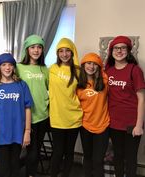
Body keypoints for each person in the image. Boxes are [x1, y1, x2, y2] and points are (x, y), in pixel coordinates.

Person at [0, 53, 33, 177]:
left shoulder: (21, 85)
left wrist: (27, 131)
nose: (7, 68)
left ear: (13, 67)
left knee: (15, 167)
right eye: (4, 65)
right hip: (1, 135)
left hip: (17, 133)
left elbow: (27, 108)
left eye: (10, 65)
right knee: (3, 169)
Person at [105, 36, 145, 177]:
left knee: (130, 159)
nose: (119, 51)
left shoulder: (134, 70)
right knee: (118, 157)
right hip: (113, 123)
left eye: (123, 48)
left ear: (128, 51)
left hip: (131, 124)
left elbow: (141, 99)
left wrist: (139, 125)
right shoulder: (108, 71)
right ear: (111, 51)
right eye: (116, 48)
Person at [49, 38, 83, 177]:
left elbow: (83, 93)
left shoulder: (79, 71)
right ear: (57, 53)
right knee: (57, 151)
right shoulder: (51, 69)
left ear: (72, 52)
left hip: (74, 117)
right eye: (61, 51)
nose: (64, 54)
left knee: (69, 151)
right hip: (57, 117)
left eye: (67, 50)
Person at [16, 34, 49, 177]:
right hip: (25, 116)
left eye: (39, 47)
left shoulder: (45, 69)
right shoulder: (18, 67)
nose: (36, 50)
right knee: (31, 151)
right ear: (27, 49)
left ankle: (30, 173)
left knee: (35, 151)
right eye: (33, 47)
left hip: (42, 115)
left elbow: (49, 89)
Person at [77, 53, 110, 177]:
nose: (91, 66)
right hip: (85, 125)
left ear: (99, 66)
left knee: (98, 161)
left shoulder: (105, 81)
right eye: (88, 63)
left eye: (95, 64)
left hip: (103, 125)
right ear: (83, 65)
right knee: (88, 157)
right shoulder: (78, 84)